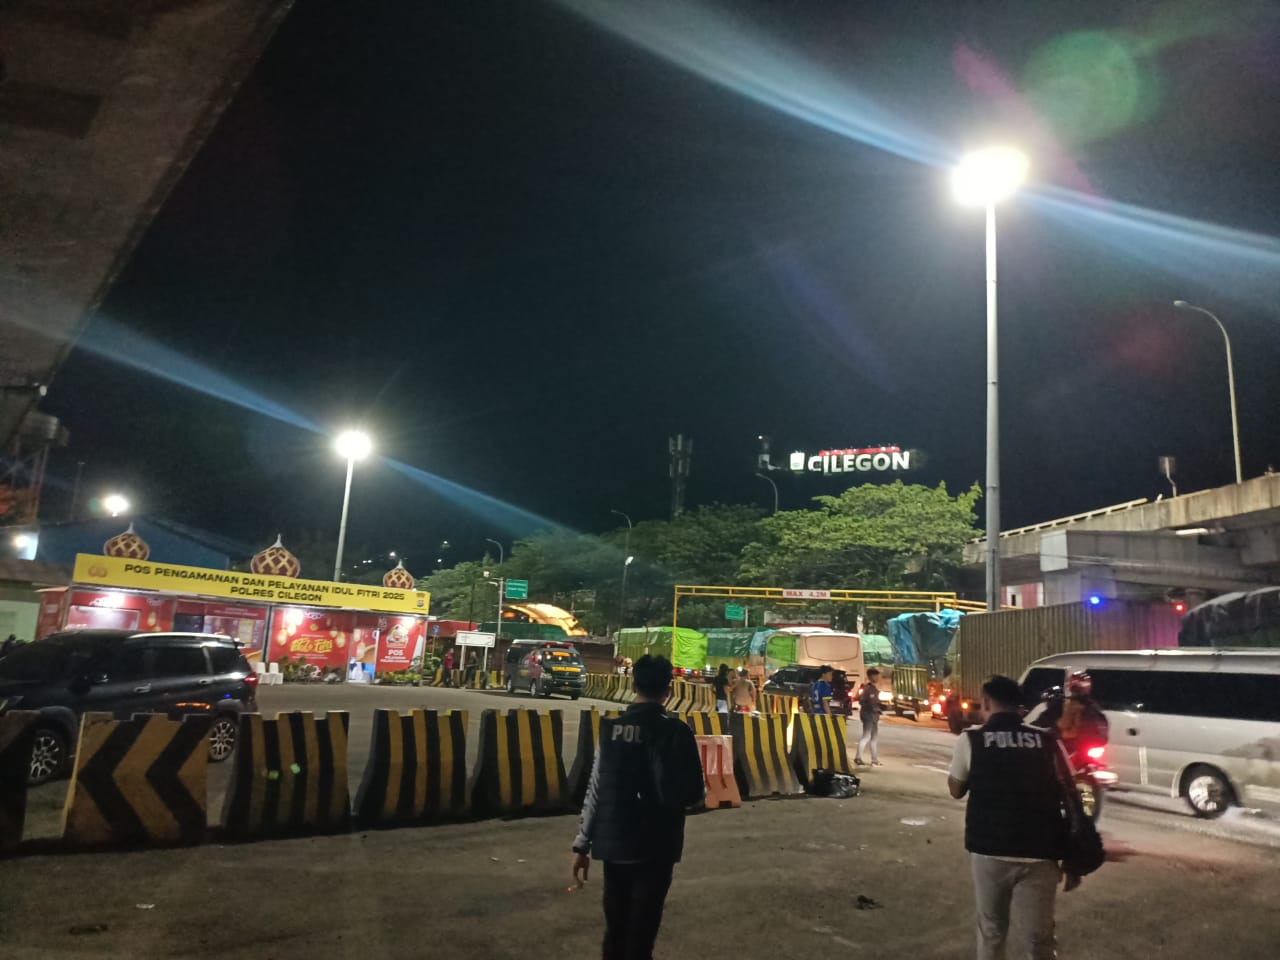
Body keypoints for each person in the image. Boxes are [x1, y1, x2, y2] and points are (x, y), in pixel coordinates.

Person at [572, 654, 704, 960]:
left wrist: (581, 845)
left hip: (615, 845)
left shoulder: (611, 731)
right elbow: (695, 794)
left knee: (615, 932)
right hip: (657, 848)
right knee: (641, 937)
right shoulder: (678, 732)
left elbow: (595, 790)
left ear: (633, 685)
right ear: (668, 690)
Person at [948, 676, 1082, 960]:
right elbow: (1071, 794)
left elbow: (956, 789)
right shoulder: (1047, 740)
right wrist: (1075, 856)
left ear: (986, 703)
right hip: (1041, 853)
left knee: (992, 930)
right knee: (1040, 937)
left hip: (990, 850)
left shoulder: (972, 739)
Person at [855, 668, 883, 766]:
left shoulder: (873, 689)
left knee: (874, 738)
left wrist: (879, 708)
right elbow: (862, 701)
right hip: (868, 715)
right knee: (866, 736)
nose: (878, 678)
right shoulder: (868, 688)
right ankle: (858, 757)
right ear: (871, 676)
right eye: (876, 676)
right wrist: (873, 708)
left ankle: (874, 759)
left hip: (874, 716)